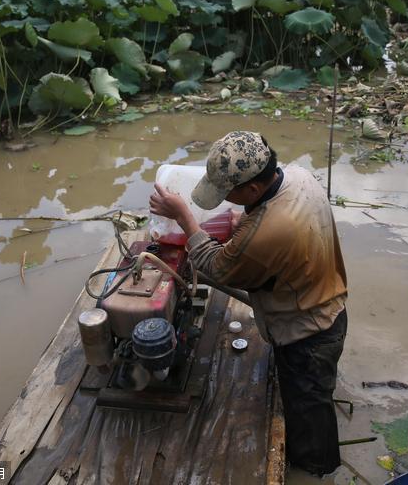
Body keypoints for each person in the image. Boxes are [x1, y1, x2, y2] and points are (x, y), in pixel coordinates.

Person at [149, 130, 348, 476]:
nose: (227, 200)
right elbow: (265, 224)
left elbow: (216, 267)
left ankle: (315, 469)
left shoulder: (269, 230)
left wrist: (185, 217)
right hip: (327, 303)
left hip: (306, 334)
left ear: (253, 189)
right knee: (314, 397)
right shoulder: (299, 176)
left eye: (229, 194)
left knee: (310, 416)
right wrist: (245, 221)